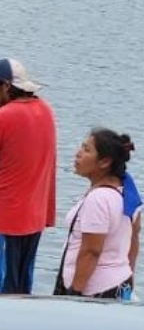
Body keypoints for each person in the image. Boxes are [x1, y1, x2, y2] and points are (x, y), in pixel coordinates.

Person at [0, 58, 56, 294]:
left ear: (6, 86)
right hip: (34, 218)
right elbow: (17, 149)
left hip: (2, 219)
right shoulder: (45, 111)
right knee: (21, 290)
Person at [57, 128, 141, 299]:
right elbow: (133, 241)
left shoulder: (99, 199)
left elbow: (91, 251)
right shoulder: (129, 194)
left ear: (104, 162)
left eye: (86, 150)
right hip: (120, 282)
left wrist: (75, 293)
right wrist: (128, 276)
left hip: (95, 290)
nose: (78, 154)